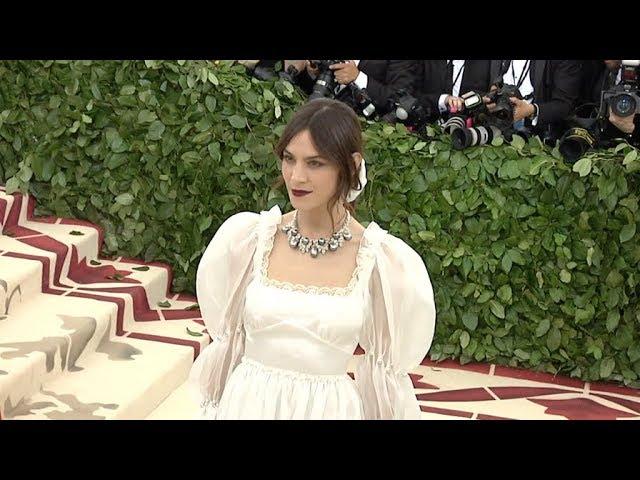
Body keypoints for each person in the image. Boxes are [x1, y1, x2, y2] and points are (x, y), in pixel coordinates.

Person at [189, 98, 436, 420]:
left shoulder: (382, 259)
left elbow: (385, 374)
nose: (296, 177)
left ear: (351, 164)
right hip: (247, 405)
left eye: (315, 163)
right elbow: (225, 343)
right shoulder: (248, 238)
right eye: (289, 159)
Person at [414, 60, 492, 121]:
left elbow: (489, 97)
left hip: (470, 132)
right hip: (427, 128)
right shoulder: (422, 63)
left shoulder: (488, 64)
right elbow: (410, 96)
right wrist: (442, 100)